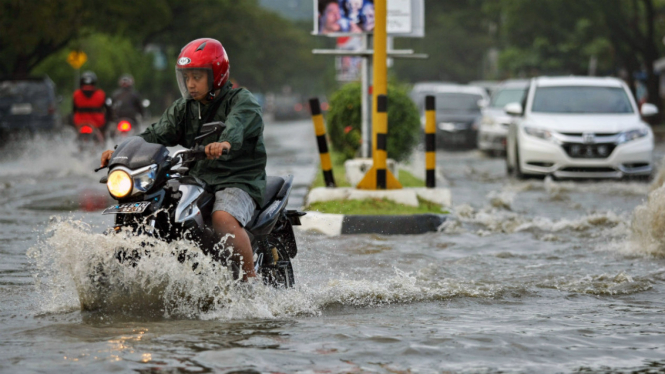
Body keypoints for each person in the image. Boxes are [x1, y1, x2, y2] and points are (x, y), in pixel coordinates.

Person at [99, 38, 266, 281]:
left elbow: (237, 125)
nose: (190, 84)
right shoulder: (185, 107)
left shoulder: (242, 101)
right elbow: (155, 133)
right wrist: (121, 150)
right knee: (165, 205)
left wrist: (224, 143)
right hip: (199, 176)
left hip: (239, 179)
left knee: (222, 218)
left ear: (216, 75)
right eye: (186, 77)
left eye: (197, 77)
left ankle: (250, 281)